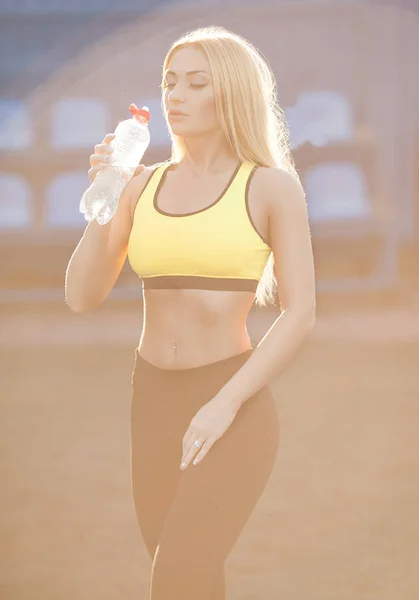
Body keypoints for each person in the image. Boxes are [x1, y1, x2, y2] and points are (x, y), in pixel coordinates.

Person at [65, 25, 316, 600]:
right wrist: (105, 196)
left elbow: (300, 312)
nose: (175, 95)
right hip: (150, 399)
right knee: (189, 578)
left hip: (232, 404)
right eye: (169, 81)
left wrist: (223, 405)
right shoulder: (139, 186)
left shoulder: (271, 187)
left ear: (230, 93)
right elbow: (81, 297)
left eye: (195, 83)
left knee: (175, 575)